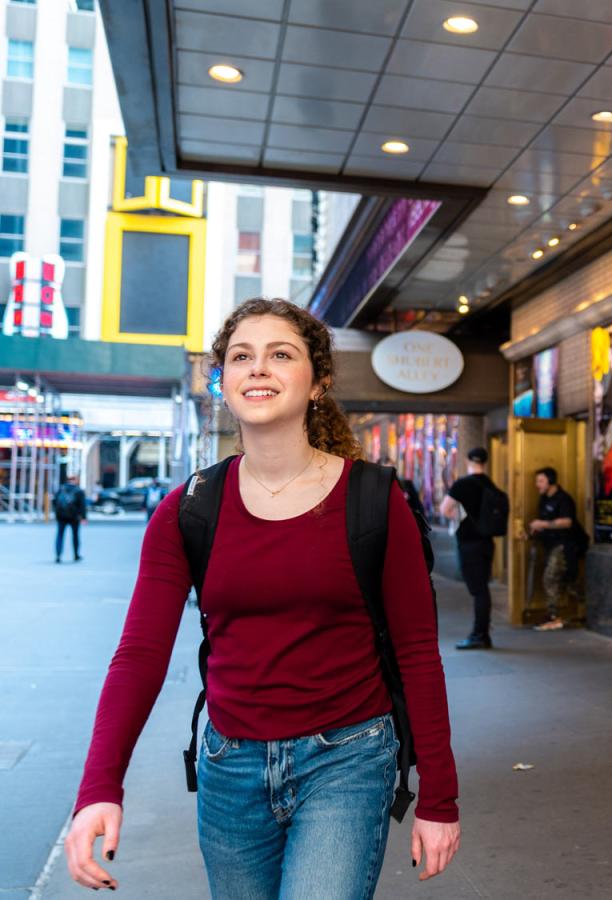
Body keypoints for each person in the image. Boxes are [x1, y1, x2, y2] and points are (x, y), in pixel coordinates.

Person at [65, 298, 460, 896]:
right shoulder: (188, 510)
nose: (258, 368)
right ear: (222, 382)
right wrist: (99, 786)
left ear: (318, 381)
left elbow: (418, 654)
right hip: (229, 767)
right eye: (241, 357)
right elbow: (139, 656)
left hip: (349, 759)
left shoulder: (376, 500)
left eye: (281, 354)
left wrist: (440, 795)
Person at [440, 447, 498, 650]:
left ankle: (479, 635)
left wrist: (460, 520)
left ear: (467, 461)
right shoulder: (491, 484)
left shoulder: (463, 484)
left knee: (478, 590)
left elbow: (445, 509)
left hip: (469, 543)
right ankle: (483, 632)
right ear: (485, 462)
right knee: (482, 588)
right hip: (487, 543)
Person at [527, 467, 582, 631]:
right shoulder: (544, 499)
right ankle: (571, 611)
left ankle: (554, 615)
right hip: (550, 545)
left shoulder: (564, 499)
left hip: (564, 545)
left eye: (541, 481)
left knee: (551, 578)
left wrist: (542, 524)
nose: (537, 485)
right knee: (563, 582)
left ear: (551, 481)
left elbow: (567, 522)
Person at [53, 474, 86, 563]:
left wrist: (57, 514)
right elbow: (82, 505)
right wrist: (83, 517)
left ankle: (58, 555)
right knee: (75, 536)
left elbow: (55, 502)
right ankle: (76, 555)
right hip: (74, 517)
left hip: (61, 517)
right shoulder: (79, 491)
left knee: (60, 535)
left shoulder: (61, 489)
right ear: (76, 480)